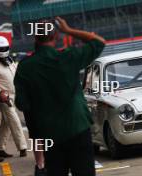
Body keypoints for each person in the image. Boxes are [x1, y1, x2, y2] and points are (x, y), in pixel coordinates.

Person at [14, 17, 105, 176]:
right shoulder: (68, 57)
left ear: (35, 37)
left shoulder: (25, 67)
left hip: (50, 133)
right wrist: (68, 30)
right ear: (56, 37)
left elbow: (22, 103)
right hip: (77, 127)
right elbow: (99, 42)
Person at [0, 36, 27, 158]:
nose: (2, 50)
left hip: (14, 94)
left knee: (6, 122)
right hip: (3, 97)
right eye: (0, 48)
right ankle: (22, 147)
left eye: (4, 48)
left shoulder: (10, 61)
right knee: (14, 119)